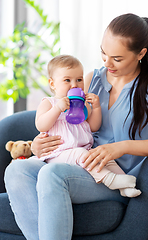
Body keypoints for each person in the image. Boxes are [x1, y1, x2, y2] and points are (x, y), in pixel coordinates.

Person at [4, 13, 148, 240]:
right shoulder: (91, 79)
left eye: (117, 58)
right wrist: (41, 145)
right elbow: (68, 124)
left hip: (118, 177)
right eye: (103, 52)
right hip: (82, 165)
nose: (106, 63)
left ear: (141, 53)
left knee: (52, 175)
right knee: (16, 170)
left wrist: (121, 147)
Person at [28, 54, 141, 198]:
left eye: (79, 80)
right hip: (59, 154)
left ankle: (125, 186)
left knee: (105, 157)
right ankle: (109, 180)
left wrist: (96, 108)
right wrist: (57, 109)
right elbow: (41, 125)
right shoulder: (49, 103)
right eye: (67, 80)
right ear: (52, 84)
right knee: (80, 154)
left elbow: (93, 127)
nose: (74, 85)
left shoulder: (81, 105)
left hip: (84, 150)